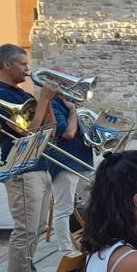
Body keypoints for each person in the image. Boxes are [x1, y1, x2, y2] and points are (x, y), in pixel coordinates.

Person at [0, 44, 58, 272]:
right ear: (7, 65)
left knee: (36, 228)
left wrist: (48, 102)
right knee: (25, 229)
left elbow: (50, 130)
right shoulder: (0, 95)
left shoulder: (25, 96)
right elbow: (25, 133)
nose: (27, 69)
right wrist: (43, 100)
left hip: (38, 166)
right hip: (21, 170)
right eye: (22, 63)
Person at [46, 87, 93, 255]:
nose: (70, 86)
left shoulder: (72, 103)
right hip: (64, 164)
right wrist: (73, 110)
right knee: (64, 209)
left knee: (97, 202)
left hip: (83, 162)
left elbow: (86, 131)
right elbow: (68, 133)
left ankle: (96, 239)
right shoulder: (54, 104)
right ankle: (66, 250)